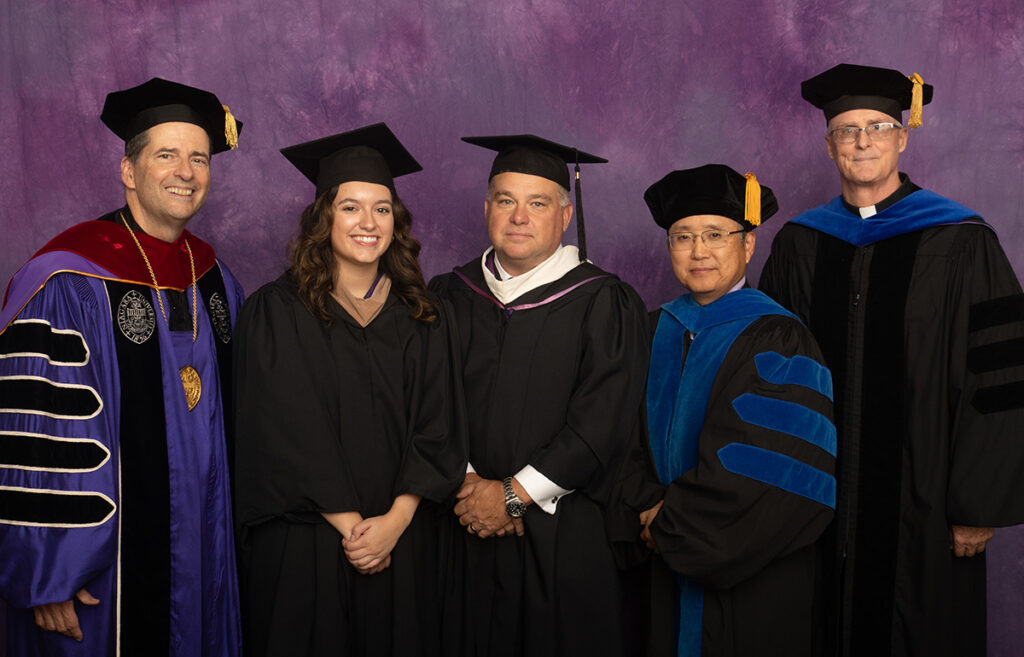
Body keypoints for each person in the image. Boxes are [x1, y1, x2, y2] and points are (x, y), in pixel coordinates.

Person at [760, 63, 1024, 657]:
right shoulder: (802, 244)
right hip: (816, 499)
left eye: (878, 127)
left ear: (903, 137)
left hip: (927, 503)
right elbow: (769, 375)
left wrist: (977, 504)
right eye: (848, 130)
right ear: (829, 145)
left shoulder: (961, 240)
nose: (862, 141)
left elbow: (1000, 378)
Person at [0, 78, 244, 655]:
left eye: (199, 158)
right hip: (99, 577)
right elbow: (40, 435)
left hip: (205, 557)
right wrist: (47, 572)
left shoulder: (215, 280)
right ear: (129, 170)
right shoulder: (68, 280)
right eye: (166, 155)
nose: (185, 171)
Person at [232, 123, 466, 657]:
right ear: (323, 219)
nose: (368, 223)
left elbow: (441, 423)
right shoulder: (277, 311)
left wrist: (396, 521)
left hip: (404, 540)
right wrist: (358, 531)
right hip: (308, 543)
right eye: (350, 207)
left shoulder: (425, 315)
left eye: (382, 209)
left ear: (397, 222)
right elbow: (285, 432)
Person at [429, 134, 649, 657]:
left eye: (538, 203)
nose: (519, 217)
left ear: (566, 214)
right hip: (461, 527)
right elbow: (425, 402)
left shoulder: (604, 301)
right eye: (506, 200)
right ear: (487, 209)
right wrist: (468, 487)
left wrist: (512, 495)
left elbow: (604, 422)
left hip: (562, 538)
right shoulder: (449, 294)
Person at [607, 164, 836, 657]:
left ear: (748, 245)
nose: (699, 251)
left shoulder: (780, 337)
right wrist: (642, 506)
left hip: (755, 581)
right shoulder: (652, 330)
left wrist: (669, 523)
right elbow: (618, 440)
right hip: (660, 567)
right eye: (683, 236)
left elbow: (774, 468)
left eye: (716, 234)